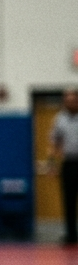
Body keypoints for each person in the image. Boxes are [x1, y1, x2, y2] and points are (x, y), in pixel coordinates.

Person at [52, 88, 78, 246]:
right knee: (68, 200)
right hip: (68, 163)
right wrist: (53, 164)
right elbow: (55, 142)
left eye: (73, 100)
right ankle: (71, 234)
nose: (70, 102)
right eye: (67, 100)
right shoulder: (59, 119)